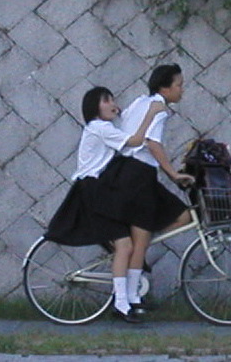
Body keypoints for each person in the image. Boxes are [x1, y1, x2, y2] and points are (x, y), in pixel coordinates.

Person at [44, 86, 165, 323]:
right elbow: (136, 141)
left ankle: (128, 299)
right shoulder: (99, 128)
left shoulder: (104, 128)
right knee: (124, 246)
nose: (113, 103)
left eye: (113, 99)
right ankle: (121, 303)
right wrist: (151, 113)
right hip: (92, 192)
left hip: (98, 191)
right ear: (94, 107)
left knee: (126, 245)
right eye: (107, 100)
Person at [95, 64, 195, 312]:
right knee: (141, 241)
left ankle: (133, 277)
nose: (182, 90)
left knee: (182, 216)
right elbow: (152, 143)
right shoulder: (159, 110)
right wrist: (173, 173)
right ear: (165, 87)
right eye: (179, 85)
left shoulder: (140, 101)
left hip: (123, 171)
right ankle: (130, 299)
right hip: (138, 177)